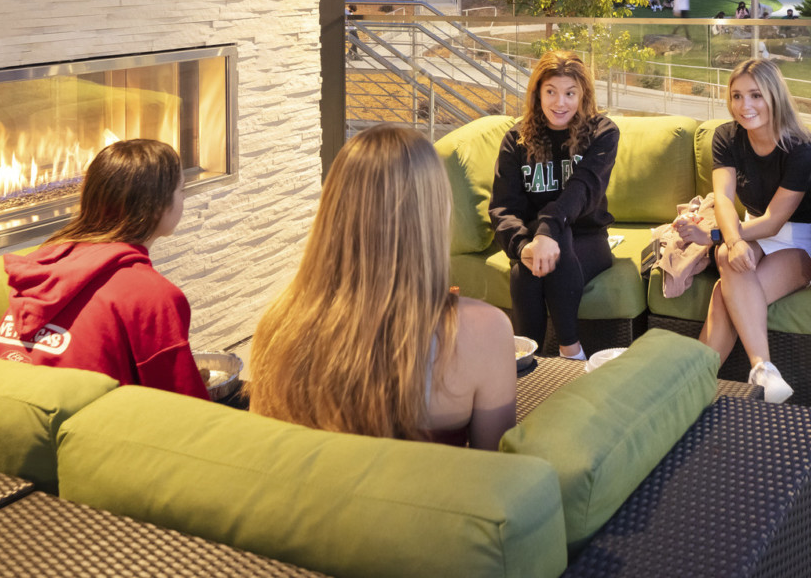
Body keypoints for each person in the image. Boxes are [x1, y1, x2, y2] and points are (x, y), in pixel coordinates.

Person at [250, 125, 515, 449]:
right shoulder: (485, 333)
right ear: (433, 215)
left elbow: (266, 458)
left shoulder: (277, 327)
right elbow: (498, 478)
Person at [0, 139, 207, 399]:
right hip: (77, 432)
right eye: (181, 190)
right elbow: (183, 405)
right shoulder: (153, 295)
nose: (184, 199)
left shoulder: (42, 263)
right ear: (157, 205)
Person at [674, 58, 811, 404]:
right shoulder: (726, 136)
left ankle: (686, 389)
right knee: (728, 255)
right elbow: (723, 199)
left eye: (755, 95)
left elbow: (773, 222)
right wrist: (731, 240)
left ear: (774, 96)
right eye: (736, 96)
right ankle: (762, 369)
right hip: (749, 230)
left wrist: (719, 237)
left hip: (797, 239)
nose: (745, 106)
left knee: (726, 295)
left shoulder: (802, 150)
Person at [490, 51, 618, 361]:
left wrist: (547, 230)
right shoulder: (516, 139)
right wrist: (523, 246)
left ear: (583, 95)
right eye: (551, 92)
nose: (560, 103)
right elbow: (503, 207)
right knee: (526, 269)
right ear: (537, 93)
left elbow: (582, 188)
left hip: (588, 238)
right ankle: (542, 358)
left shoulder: (602, 133)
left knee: (553, 244)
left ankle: (556, 352)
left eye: (570, 93)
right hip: (534, 240)